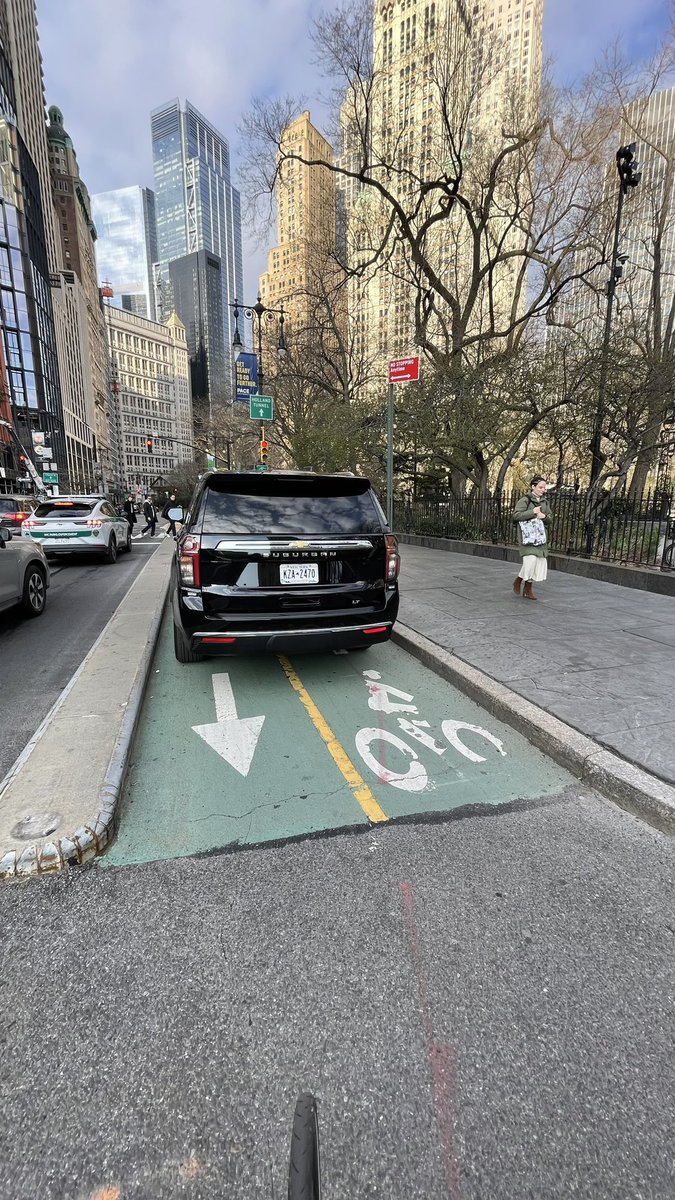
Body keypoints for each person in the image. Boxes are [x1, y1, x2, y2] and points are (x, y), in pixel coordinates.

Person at [512, 476, 552, 600]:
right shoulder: (524, 500)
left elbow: (550, 519)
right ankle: (521, 582)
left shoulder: (545, 502)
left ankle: (526, 587)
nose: (543, 490)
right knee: (530, 563)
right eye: (540, 487)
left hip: (540, 538)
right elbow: (516, 516)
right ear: (533, 487)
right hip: (528, 538)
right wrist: (532, 512)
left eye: (544, 488)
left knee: (537, 564)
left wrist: (543, 516)